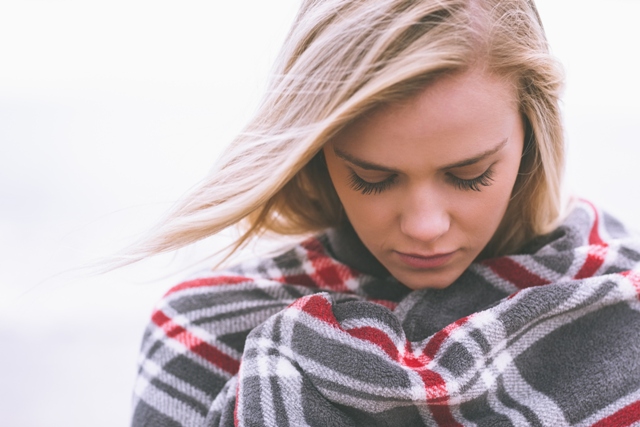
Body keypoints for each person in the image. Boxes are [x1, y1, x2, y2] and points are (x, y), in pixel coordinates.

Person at [130, 0, 640, 425]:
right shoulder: (201, 337)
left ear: (532, 136)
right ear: (317, 153)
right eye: (373, 178)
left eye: (470, 174)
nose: (425, 226)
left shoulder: (620, 300)